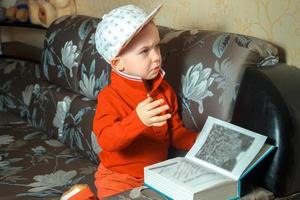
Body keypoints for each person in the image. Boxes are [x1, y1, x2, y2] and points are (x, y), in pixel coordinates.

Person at [93, 4, 198, 199]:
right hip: (118, 177)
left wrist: (201, 141)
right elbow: (106, 140)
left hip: (156, 175)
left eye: (157, 46)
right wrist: (137, 121)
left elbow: (176, 133)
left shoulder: (164, 89)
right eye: (144, 51)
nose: (157, 57)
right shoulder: (110, 96)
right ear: (118, 64)